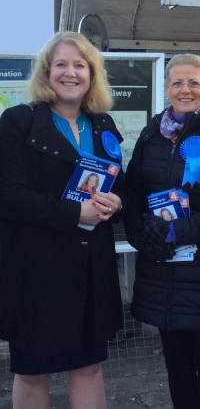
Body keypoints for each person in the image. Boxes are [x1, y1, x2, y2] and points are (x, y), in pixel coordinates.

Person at [0, 31, 125, 409]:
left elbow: (123, 182)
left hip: (91, 270)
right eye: (61, 65)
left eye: (80, 65)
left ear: (92, 74)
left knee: (88, 369)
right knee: (33, 373)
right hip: (36, 273)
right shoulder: (18, 121)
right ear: (46, 72)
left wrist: (116, 202)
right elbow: (8, 196)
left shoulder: (103, 125)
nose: (70, 73)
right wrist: (76, 213)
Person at [123, 53, 200, 409]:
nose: (185, 89)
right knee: (175, 367)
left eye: (194, 82)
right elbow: (133, 195)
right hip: (161, 272)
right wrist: (141, 235)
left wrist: (172, 232)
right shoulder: (151, 134)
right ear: (166, 88)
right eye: (177, 82)